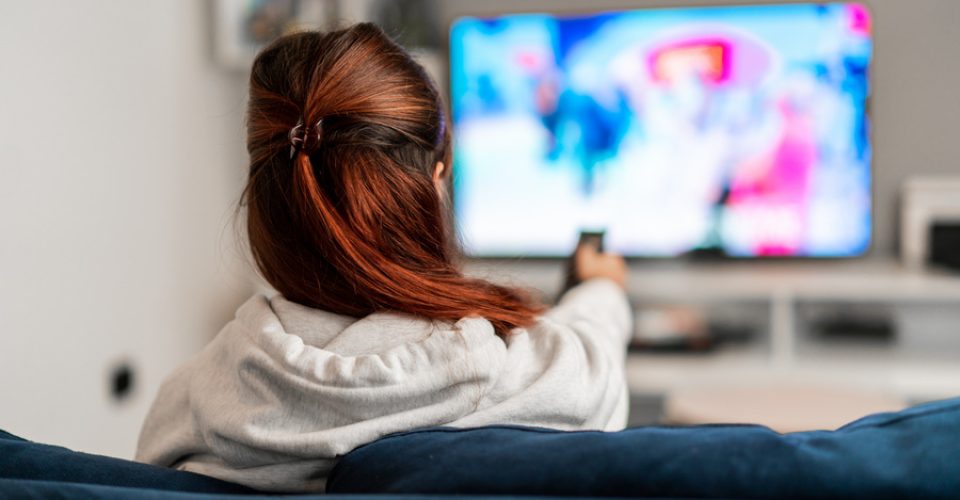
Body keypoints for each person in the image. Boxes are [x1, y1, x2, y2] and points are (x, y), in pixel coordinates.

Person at [135, 23, 631, 493]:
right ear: (434, 182)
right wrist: (602, 287)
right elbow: (597, 360)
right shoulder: (510, 376)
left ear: (265, 200)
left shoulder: (189, 405)